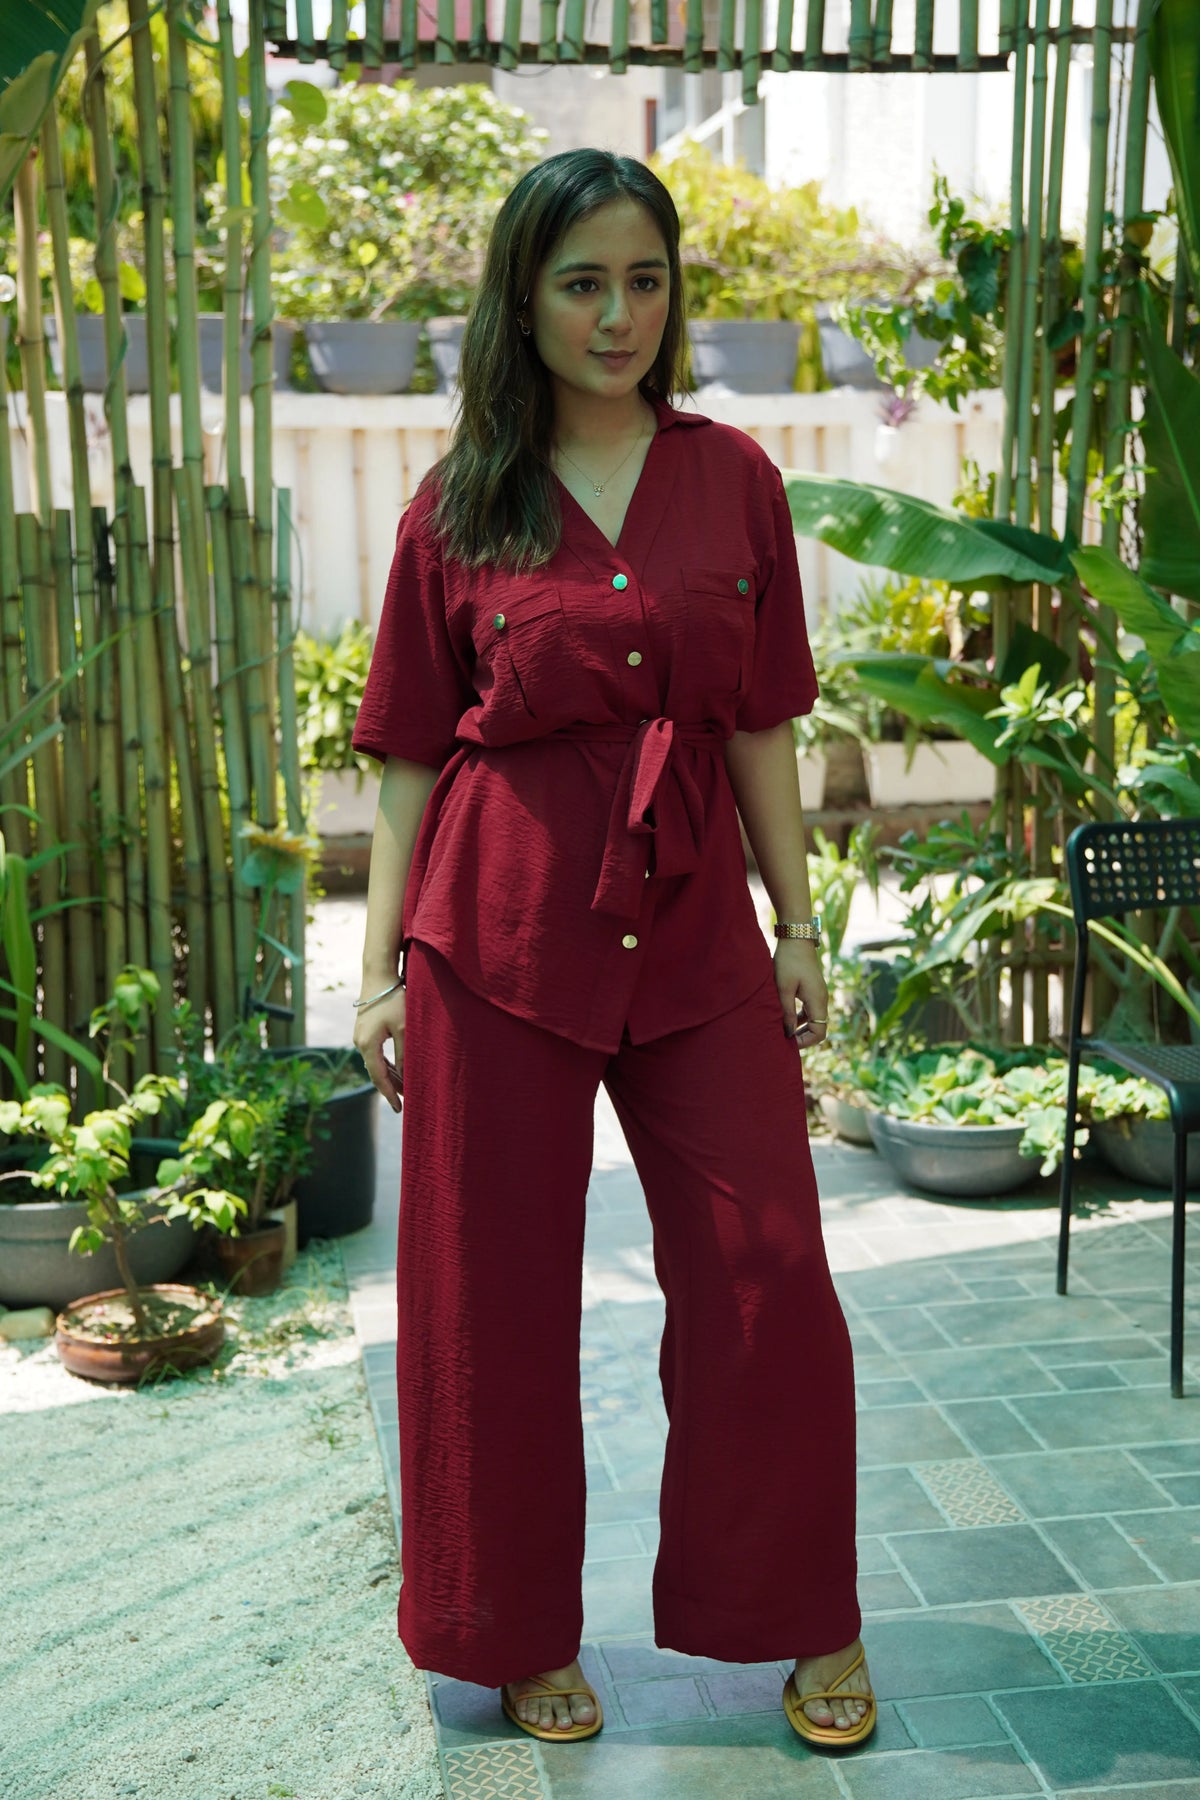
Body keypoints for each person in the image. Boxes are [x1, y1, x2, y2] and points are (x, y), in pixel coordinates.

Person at [349, 147, 875, 1752]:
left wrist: (800, 923)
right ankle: (512, 1632)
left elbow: (763, 724)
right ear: (522, 300)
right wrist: (376, 972)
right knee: (490, 1293)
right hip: (498, 929)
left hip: (699, 929)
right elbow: (409, 758)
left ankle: (804, 1614)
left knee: (767, 1267)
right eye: (582, 282)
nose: (617, 313)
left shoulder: (737, 482)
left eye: (645, 279)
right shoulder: (459, 505)